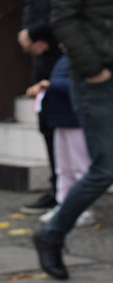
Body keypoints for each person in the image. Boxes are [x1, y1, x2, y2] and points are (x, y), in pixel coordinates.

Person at [33, 0, 113, 280]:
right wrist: (94, 69)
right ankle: (52, 232)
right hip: (98, 79)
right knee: (105, 166)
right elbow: (63, 17)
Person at [18, 0, 68, 215]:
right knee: (46, 123)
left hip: (63, 52)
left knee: (65, 126)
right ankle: (56, 188)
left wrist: (37, 31)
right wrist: (27, 34)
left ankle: (66, 191)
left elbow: (66, 4)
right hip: (42, 53)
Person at [27, 55, 96, 228]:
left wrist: (50, 85)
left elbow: (83, 86)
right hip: (60, 120)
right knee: (63, 168)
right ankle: (64, 205)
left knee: (81, 167)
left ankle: (84, 210)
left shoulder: (84, 57)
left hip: (76, 120)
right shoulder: (64, 59)